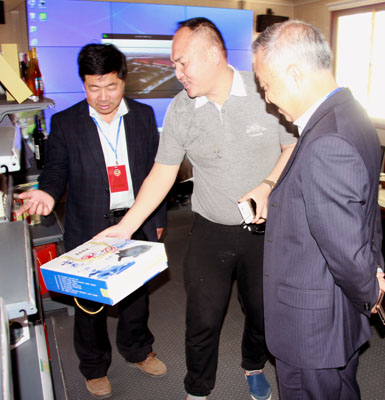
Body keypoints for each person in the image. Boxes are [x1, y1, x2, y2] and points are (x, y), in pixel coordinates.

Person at [96, 17, 297, 400]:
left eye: (182, 62)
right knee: (202, 319)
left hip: (263, 231)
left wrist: (268, 184)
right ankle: (198, 389)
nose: (177, 72)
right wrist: (127, 225)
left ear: (214, 55)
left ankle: (254, 365)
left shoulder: (264, 92)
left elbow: (292, 145)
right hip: (210, 229)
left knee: (262, 313)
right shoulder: (181, 109)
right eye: (174, 64)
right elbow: (163, 171)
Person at [252, 20, 385, 399]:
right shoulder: (352, 114)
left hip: (312, 325)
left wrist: (373, 292)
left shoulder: (326, 140)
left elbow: (343, 247)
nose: (267, 98)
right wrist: (375, 273)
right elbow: (360, 219)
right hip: (333, 307)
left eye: (266, 85)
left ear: (294, 74)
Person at [17, 43, 167, 399]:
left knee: (136, 296)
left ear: (123, 81)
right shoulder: (66, 122)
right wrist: (47, 193)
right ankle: (94, 367)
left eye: (110, 86)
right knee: (89, 305)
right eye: (93, 87)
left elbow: (156, 171)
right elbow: (56, 170)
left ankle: (138, 350)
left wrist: (157, 218)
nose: (102, 97)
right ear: (83, 83)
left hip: (135, 220)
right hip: (88, 224)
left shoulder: (143, 115)